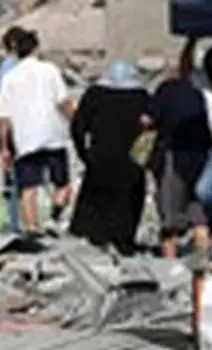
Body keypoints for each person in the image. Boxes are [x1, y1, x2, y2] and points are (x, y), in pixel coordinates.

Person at [0, 29, 76, 236]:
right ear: (36, 48)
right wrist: (77, 122)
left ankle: (31, 228)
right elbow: (63, 102)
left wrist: (4, 147)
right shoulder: (50, 70)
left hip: (25, 137)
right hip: (54, 134)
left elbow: (3, 116)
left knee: (28, 187)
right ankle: (54, 218)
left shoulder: (10, 77)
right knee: (62, 184)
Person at [142, 38, 212, 263]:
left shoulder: (167, 89)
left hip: (175, 153)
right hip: (205, 154)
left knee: (170, 216)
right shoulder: (209, 89)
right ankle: (202, 259)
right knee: (199, 213)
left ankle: (170, 263)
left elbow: (147, 120)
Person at [68, 60, 149, 255]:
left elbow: (78, 126)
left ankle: (96, 239)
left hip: (100, 157)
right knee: (128, 202)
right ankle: (123, 242)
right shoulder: (141, 97)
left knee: (95, 202)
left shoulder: (95, 95)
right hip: (131, 159)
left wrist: (83, 154)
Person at [0, 26, 27, 234]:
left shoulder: (12, 67)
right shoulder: (11, 68)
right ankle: (16, 223)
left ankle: (19, 221)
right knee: (16, 178)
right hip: (15, 128)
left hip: (19, 127)